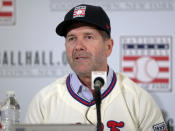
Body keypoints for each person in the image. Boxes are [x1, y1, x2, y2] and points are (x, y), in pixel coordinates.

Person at [25, 4, 167, 131]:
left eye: (88, 37)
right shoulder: (44, 102)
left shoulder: (138, 99)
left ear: (109, 47)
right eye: (72, 38)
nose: (78, 46)